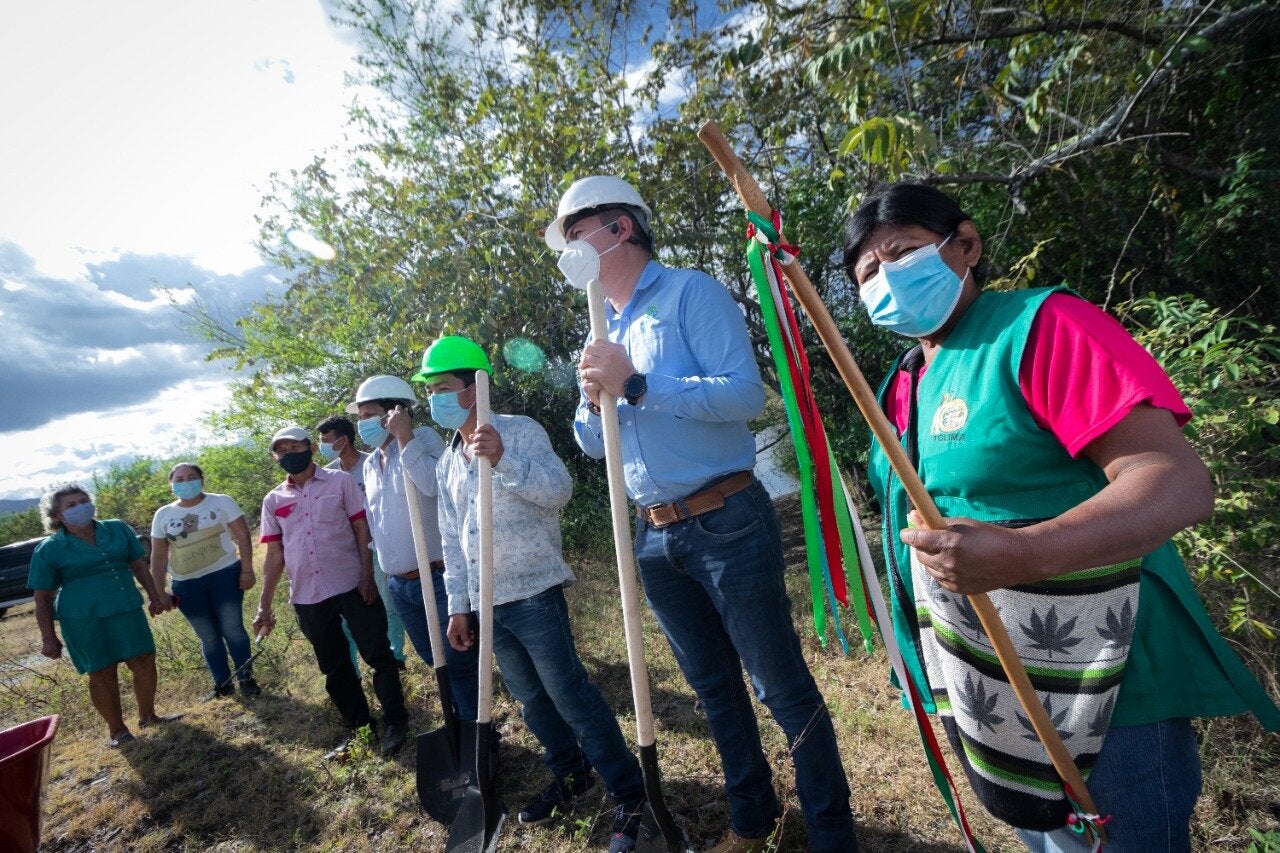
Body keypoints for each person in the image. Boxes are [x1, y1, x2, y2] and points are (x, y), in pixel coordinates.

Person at [841, 181, 1280, 852]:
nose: (887, 280)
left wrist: (1024, 554)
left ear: (966, 244)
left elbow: (1175, 482)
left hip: (1100, 685)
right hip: (986, 688)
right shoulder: (901, 384)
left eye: (901, 254)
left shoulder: (1041, 327)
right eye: (868, 273)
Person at [557, 176, 859, 853]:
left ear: (620, 227)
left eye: (576, 231)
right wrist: (593, 395)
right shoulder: (601, 328)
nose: (568, 247)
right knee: (715, 689)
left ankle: (833, 836)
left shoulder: (690, 293)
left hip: (726, 518)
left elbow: (744, 395)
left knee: (780, 686)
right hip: (653, 535)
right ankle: (752, 821)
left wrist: (637, 383)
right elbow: (594, 444)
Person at [421, 335, 647, 853]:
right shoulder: (447, 462)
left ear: (474, 388)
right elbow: (452, 542)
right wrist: (459, 606)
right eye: (429, 390)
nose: (434, 398)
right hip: (487, 603)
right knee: (530, 700)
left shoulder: (519, 432)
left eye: (443, 387)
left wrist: (502, 460)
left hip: (533, 592)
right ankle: (571, 773)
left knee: (570, 693)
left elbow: (559, 491)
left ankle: (630, 792)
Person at [252, 425, 410, 758]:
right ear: (275, 458)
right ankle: (360, 727)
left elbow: (361, 528)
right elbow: (275, 555)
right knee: (335, 667)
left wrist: (367, 575)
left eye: (295, 447)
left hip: (352, 584)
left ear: (310, 448)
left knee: (378, 655)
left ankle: (396, 720)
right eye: (281, 450)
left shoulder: (340, 482)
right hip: (307, 596)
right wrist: (264, 606)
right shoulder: (273, 500)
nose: (289, 454)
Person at [345, 375, 480, 724]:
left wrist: (405, 438)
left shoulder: (425, 439)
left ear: (395, 411)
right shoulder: (370, 464)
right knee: (432, 657)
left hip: (435, 576)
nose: (363, 423)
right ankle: (459, 721)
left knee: (457, 659)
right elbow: (377, 520)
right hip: (399, 584)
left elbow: (433, 486)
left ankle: (477, 733)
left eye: (369, 414)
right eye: (360, 416)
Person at [29, 483, 181, 747]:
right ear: (57, 516)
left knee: (144, 660)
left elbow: (138, 565)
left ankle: (148, 716)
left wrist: (155, 596)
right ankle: (117, 731)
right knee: (101, 671)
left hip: (126, 607)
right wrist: (48, 638)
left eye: (83, 500)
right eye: (71, 505)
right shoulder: (50, 549)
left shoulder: (117, 529)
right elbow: (42, 598)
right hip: (83, 619)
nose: (80, 507)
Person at [150, 463, 260, 699]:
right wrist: (159, 592)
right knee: (208, 636)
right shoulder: (163, 514)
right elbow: (158, 556)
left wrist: (247, 570)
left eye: (191, 477)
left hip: (225, 575)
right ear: (171, 485)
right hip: (186, 585)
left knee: (232, 628)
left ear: (202, 479)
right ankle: (222, 684)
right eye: (179, 480)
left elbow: (243, 536)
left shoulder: (222, 502)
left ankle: (246, 679)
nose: (186, 482)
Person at [317, 414, 408, 669]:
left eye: (326, 440)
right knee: (346, 617)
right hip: (346, 553)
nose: (322, 445)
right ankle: (352, 668)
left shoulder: (372, 464)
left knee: (388, 606)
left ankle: (395, 657)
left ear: (343, 441)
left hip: (377, 548)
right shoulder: (328, 475)